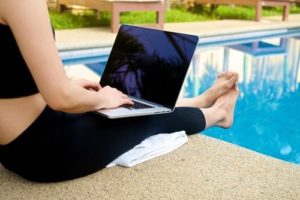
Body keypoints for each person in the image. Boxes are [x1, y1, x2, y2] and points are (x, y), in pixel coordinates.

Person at [0, 0, 239, 182]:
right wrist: (99, 97)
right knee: (148, 119)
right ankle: (219, 113)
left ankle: (201, 99)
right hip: (42, 151)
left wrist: (68, 85)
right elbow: (61, 99)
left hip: (14, 146)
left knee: (122, 105)